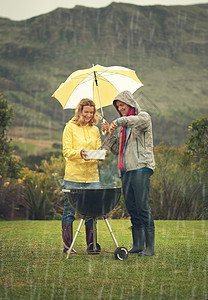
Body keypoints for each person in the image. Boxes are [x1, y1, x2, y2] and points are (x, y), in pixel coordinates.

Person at [101, 90, 155, 256]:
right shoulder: (123, 129)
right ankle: (138, 245)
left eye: (122, 105)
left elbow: (132, 121)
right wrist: (109, 132)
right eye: (118, 107)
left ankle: (150, 248)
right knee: (132, 207)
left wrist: (118, 121)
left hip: (141, 167)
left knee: (142, 206)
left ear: (130, 103)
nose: (120, 108)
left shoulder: (143, 118)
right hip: (126, 170)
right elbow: (117, 150)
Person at [62, 98, 101, 253]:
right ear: (79, 111)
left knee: (92, 213)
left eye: (91, 112)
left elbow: (98, 149)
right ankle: (68, 247)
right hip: (73, 177)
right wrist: (80, 153)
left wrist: (100, 152)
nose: (89, 115)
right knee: (69, 212)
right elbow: (66, 151)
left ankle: (91, 246)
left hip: (92, 178)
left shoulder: (95, 130)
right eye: (86, 112)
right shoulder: (69, 128)